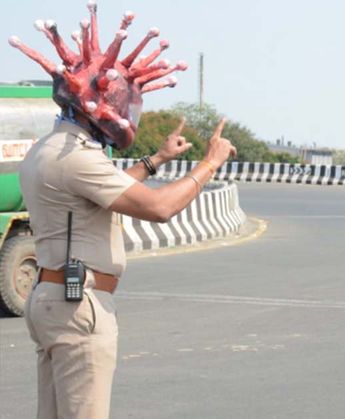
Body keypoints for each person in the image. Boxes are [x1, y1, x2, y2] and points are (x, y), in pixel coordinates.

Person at [13, 4, 236, 418]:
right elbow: (160, 207)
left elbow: (102, 189)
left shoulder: (50, 150)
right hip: (78, 307)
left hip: (52, 298)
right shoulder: (76, 157)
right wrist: (211, 163)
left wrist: (158, 158)